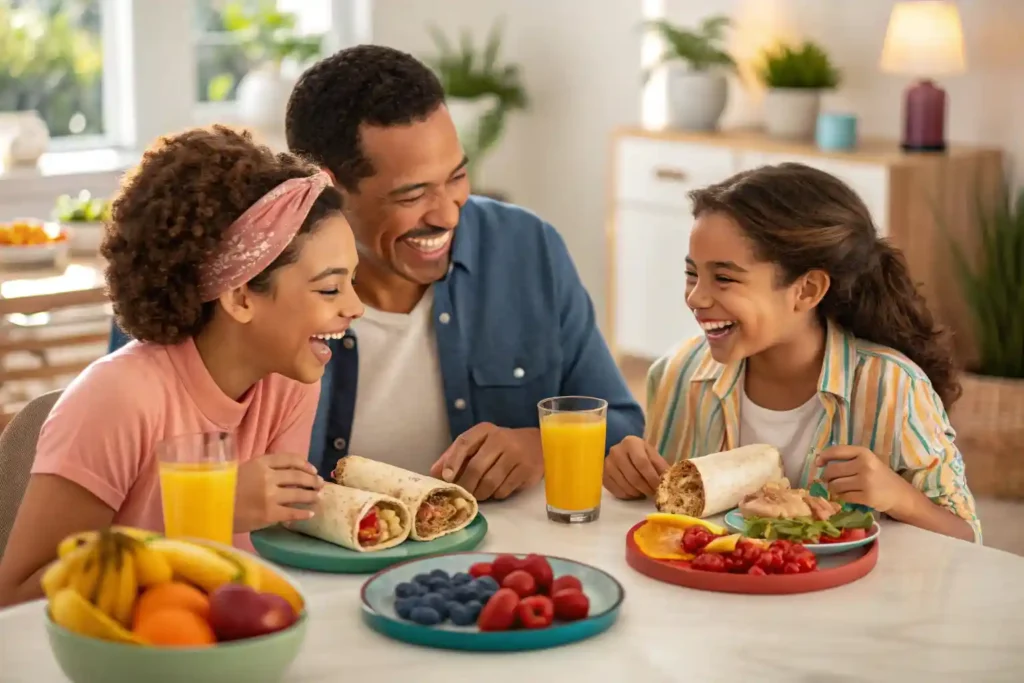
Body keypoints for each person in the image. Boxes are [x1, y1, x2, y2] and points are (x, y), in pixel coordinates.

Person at [109, 45, 644, 502]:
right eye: (412, 195)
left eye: (457, 176)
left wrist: (540, 445)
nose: (448, 213)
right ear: (326, 186)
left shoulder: (528, 249)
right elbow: (125, 473)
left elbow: (622, 424)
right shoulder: (234, 278)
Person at [0, 126, 364, 606]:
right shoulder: (118, 400)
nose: (355, 307)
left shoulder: (289, 382)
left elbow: (264, 557)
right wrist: (206, 509)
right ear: (240, 297)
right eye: (330, 289)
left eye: (353, 281)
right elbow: (16, 598)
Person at [605, 163, 980, 543]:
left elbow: (968, 541)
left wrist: (901, 499)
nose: (695, 297)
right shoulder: (678, 375)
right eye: (692, 274)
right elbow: (666, 522)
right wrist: (631, 479)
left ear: (806, 290)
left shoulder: (894, 388)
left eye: (723, 278)